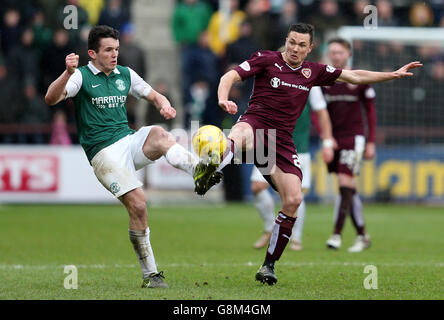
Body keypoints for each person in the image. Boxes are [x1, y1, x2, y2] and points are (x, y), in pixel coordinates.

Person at [200, 23, 421, 285]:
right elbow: (229, 77)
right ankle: (209, 170)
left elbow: (355, 76)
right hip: (255, 124)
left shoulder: (313, 72)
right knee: (240, 135)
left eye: (301, 45)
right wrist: (223, 99)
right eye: (292, 42)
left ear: (310, 48)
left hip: (281, 142)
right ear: (286, 40)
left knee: (293, 199)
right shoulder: (266, 59)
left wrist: (393, 74)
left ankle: (268, 266)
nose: (295, 48)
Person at [44, 25, 219, 288]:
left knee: (159, 134)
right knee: (138, 205)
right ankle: (151, 275)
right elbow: (50, 98)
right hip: (103, 153)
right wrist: (67, 73)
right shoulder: (80, 77)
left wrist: (164, 104)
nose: (114, 54)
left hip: (127, 141)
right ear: (93, 53)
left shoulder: (124, 74)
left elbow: (152, 94)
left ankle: (199, 172)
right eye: (108, 50)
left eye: (116, 49)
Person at [310, 38, 377, 252]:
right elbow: (316, 113)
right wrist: (326, 138)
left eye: (339, 52)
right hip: (334, 139)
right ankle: (363, 235)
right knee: (349, 189)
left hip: (354, 137)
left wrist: (371, 141)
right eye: (332, 53)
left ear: (348, 54)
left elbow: (371, 111)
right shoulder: (325, 81)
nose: (335, 56)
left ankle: (336, 235)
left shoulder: (358, 78)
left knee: (343, 181)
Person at [251, 99, 334, 251]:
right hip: (268, 141)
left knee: (295, 194)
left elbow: (322, 112)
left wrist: (327, 141)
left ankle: (295, 237)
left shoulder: (311, 78)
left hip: (297, 144)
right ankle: (270, 228)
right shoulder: (268, 76)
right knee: (257, 186)